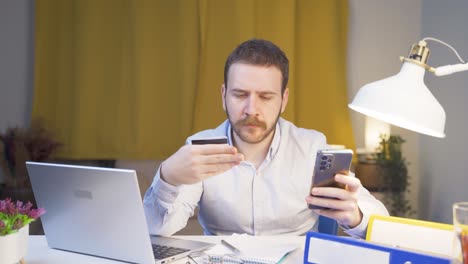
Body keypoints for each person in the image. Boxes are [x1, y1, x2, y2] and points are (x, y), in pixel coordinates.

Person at [143, 39, 388, 238]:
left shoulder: (312, 147)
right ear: (223, 95)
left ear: (284, 100)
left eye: (266, 97)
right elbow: (157, 229)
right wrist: (168, 177)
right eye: (240, 94)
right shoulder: (199, 149)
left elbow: (382, 224)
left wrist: (355, 215)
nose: (251, 109)